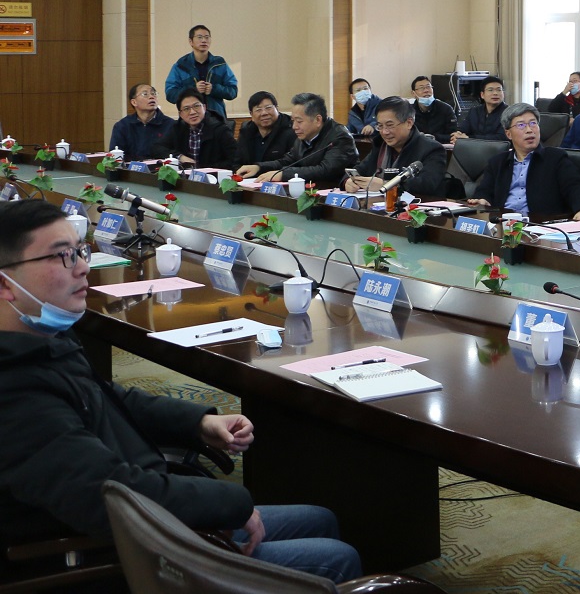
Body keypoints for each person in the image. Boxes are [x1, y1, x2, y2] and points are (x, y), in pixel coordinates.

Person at [0, 200, 362, 583]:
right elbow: (109, 493)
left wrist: (198, 422)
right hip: (108, 555)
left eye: (80, 251)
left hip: (141, 517)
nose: (82, 267)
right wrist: (231, 504)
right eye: (62, 256)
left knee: (320, 518)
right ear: (6, 284)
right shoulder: (14, 391)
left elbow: (104, 398)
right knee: (335, 559)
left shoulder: (37, 339)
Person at [467, 104, 580, 219]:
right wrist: (482, 199)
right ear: (508, 134)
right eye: (521, 125)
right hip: (502, 222)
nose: (529, 130)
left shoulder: (555, 158)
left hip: (539, 224)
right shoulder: (497, 162)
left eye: (533, 123)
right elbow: (484, 190)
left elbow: (575, 188)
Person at [239, 93, 358, 186]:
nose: (294, 126)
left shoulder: (340, 137)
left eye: (299, 121)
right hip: (310, 190)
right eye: (293, 121)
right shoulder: (304, 135)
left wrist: (284, 175)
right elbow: (287, 161)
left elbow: (325, 170)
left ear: (318, 120)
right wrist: (259, 167)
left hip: (335, 193)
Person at [346, 97, 448, 198]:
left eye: (390, 125)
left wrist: (386, 185)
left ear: (409, 123)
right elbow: (358, 170)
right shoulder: (381, 145)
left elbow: (427, 185)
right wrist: (349, 181)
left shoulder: (432, 149)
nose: (384, 132)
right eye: (380, 126)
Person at [163, 24, 238, 119]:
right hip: (190, 118)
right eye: (199, 37)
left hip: (216, 118)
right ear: (191, 41)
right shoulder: (181, 65)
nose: (204, 40)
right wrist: (193, 89)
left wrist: (214, 89)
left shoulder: (220, 64)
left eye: (207, 37)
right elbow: (170, 94)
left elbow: (233, 91)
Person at [151, 91, 236, 170]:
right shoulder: (178, 128)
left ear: (204, 107)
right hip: (186, 177)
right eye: (186, 109)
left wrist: (207, 169)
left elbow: (235, 160)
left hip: (213, 177)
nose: (192, 112)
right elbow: (157, 148)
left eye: (196, 106)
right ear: (181, 114)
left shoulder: (220, 129)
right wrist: (180, 157)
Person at [108, 83, 175, 162]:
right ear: (134, 102)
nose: (151, 97)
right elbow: (115, 156)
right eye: (145, 94)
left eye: (153, 93)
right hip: (130, 169)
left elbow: (175, 153)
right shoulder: (122, 126)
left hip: (161, 168)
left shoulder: (171, 125)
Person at [235, 91, 296, 168]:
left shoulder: (291, 130)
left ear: (277, 109)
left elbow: (291, 163)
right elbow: (236, 162)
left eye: (268, 108)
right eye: (258, 110)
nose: (264, 113)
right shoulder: (246, 132)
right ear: (251, 114)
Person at [453, 76, 508, 141]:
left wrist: (469, 139)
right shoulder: (474, 111)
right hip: (473, 146)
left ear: (503, 94)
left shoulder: (509, 113)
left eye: (499, 90)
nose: (495, 93)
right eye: (490, 90)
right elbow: (462, 130)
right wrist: (458, 135)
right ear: (482, 95)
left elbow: (502, 137)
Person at [411, 76, 457, 141]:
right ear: (413, 93)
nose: (426, 90)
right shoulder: (409, 111)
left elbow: (453, 135)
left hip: (440, 145)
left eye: (428, 87)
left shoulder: (446, 109)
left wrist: (434, 137)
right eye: (421, 88)